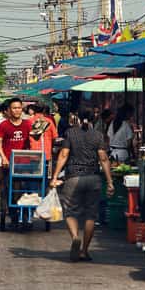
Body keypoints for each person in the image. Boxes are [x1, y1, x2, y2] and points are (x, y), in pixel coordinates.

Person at [50, 109, 114, 262]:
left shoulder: (70, 133)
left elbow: (64, 155)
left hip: (73, 177)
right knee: (90, 215)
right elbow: (104, 159)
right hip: (93, 178)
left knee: (70, 212)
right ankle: (84, 250)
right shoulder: (98, 136)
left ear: (77, 118)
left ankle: (75, 237)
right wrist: (110, 182)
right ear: (93, 118)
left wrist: (54, 176)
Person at [0, 98, 34, 221]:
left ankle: (26, 214)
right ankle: (13, 215)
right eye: (14, 108)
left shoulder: (28, 124)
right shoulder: (4, 125)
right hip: (9, 164)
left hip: (25, 164)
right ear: (9, 110)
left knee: (25, 190)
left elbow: (34, 140)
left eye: (19, 108)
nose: (17, 110)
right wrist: (3, 158)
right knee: (10, 190)